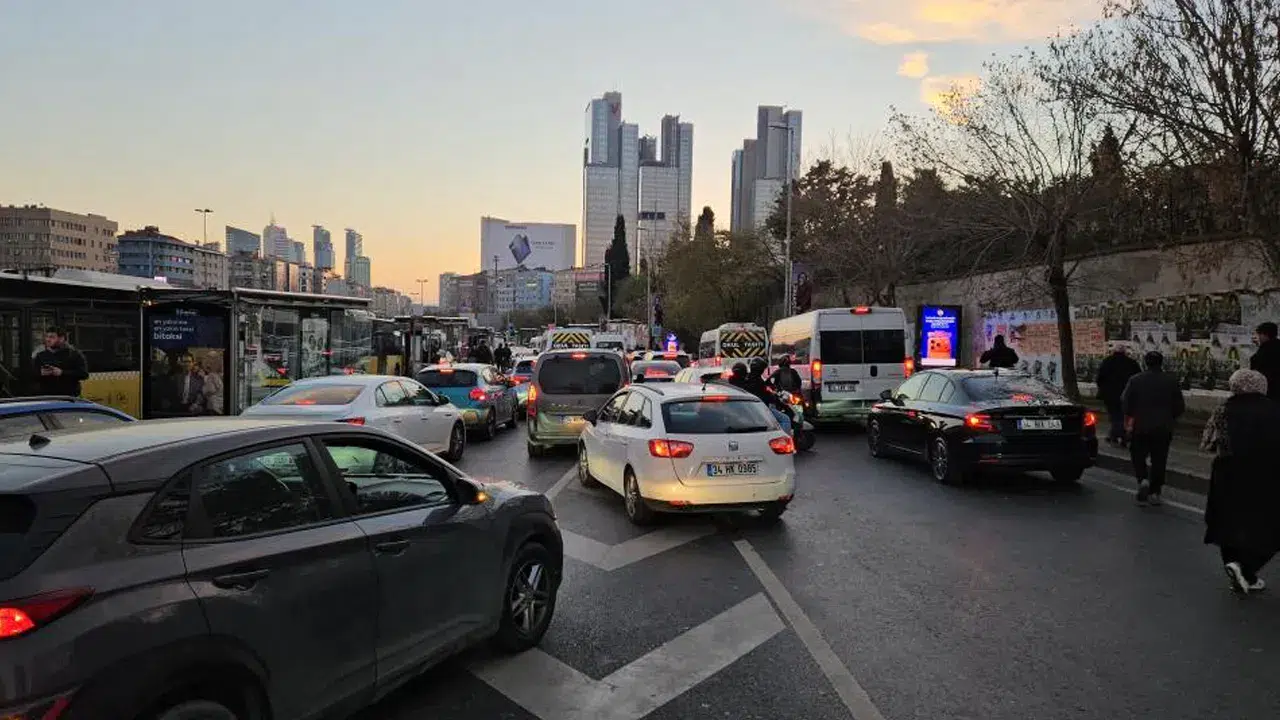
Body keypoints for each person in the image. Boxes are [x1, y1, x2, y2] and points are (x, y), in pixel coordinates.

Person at [1200, 369, 1280, 593]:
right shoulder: (1274, 410)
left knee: (1226, 522)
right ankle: (1246, 570)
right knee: (1270, 524)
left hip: (1227, 474)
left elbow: (1207, 443)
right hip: (1266, 475)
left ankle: (1235, 567)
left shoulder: (1223, 409)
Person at [1121, 350, 1185, 506]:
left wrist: (1131, 415)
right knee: (1159, 459)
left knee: (1137, 454)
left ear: (1145, 363)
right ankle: (1155, 491)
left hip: (1141, 425)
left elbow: (1126, 402)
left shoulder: (1135, 380)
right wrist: (1171, 417)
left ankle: (1142, 479)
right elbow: (1179, 406)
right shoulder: (1171, 381)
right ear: (1161, 363)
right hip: (1163, 427)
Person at [1095, 344, 1142, 446]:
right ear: (1124, 352)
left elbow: (1099, 378)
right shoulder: (1131, 363)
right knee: (1124, 415)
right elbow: (1138, 377)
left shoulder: (1107, 361)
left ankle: (1116, 434)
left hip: (1110, 395)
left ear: (1114, 352)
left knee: (1114, 415)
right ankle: (1119, 434)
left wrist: (1102, 389)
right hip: (1127, 394)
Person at [31, 326, 89, 397]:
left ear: (61, 338)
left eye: (52, 337)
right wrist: (41, 373)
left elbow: (84, 374)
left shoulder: (74, 355)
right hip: (46, 397)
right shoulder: (40, 355)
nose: (48, 339)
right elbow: (31, 375)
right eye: (47, 337)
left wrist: (62, 372)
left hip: (69, 397)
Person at [1249, 321, 1280, 401]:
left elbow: (1256, 365)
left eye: (1259, 334)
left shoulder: (1264, 350)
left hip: (1269, 390)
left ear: (1265, 335)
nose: (1258, 337)